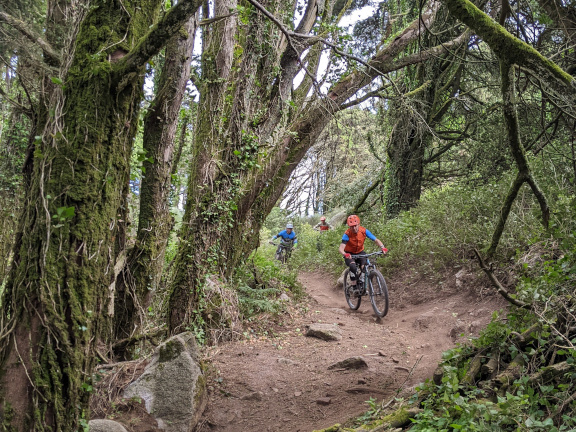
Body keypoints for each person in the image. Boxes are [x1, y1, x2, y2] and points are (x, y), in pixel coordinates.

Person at [339, 215, 387, 289]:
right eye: (351, 226)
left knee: (365, 265)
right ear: (349, 226)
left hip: (360, 252)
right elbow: (341, 248)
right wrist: (345, 254)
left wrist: (382, 247)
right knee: (352, 266)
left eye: (355, 226)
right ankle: (354, 285)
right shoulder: (347, 234)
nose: (354, 228)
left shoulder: (364, 231)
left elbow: (376, 240)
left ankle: (361, 281)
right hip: (350, 254)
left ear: (358, 224)